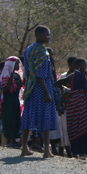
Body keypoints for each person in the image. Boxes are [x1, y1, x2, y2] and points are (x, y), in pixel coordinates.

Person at [20, 27, 58, 157]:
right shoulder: (41, 50)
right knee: (45, 116)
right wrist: (47, 93)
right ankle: (47, 151)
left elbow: (27, 71)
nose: (49, 37)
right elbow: (41, 74)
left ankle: (24, 147)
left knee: (28, 114)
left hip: (31, 86)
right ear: (41, 35)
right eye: (47, 35)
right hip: (41, 88)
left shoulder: (29, 49)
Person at [57, 58, 87, 161]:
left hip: (72, 104)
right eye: (84, 65)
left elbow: (57, 83)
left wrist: (67, 91)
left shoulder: (72, 75)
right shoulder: (81, 75)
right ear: (78, 66)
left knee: (74, 127)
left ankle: (75, 153)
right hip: (81, 105)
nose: (86, 67)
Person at [0, 56, 23, 148]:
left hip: (15, 100)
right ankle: (9, 141)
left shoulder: (17, 75)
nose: (18, 65)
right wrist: (11, 78)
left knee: (16, 119)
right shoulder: (5, 75)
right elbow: (5, 88)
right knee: (9, 120)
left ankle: (14, 140)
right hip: (8, 101)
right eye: (16, 64)